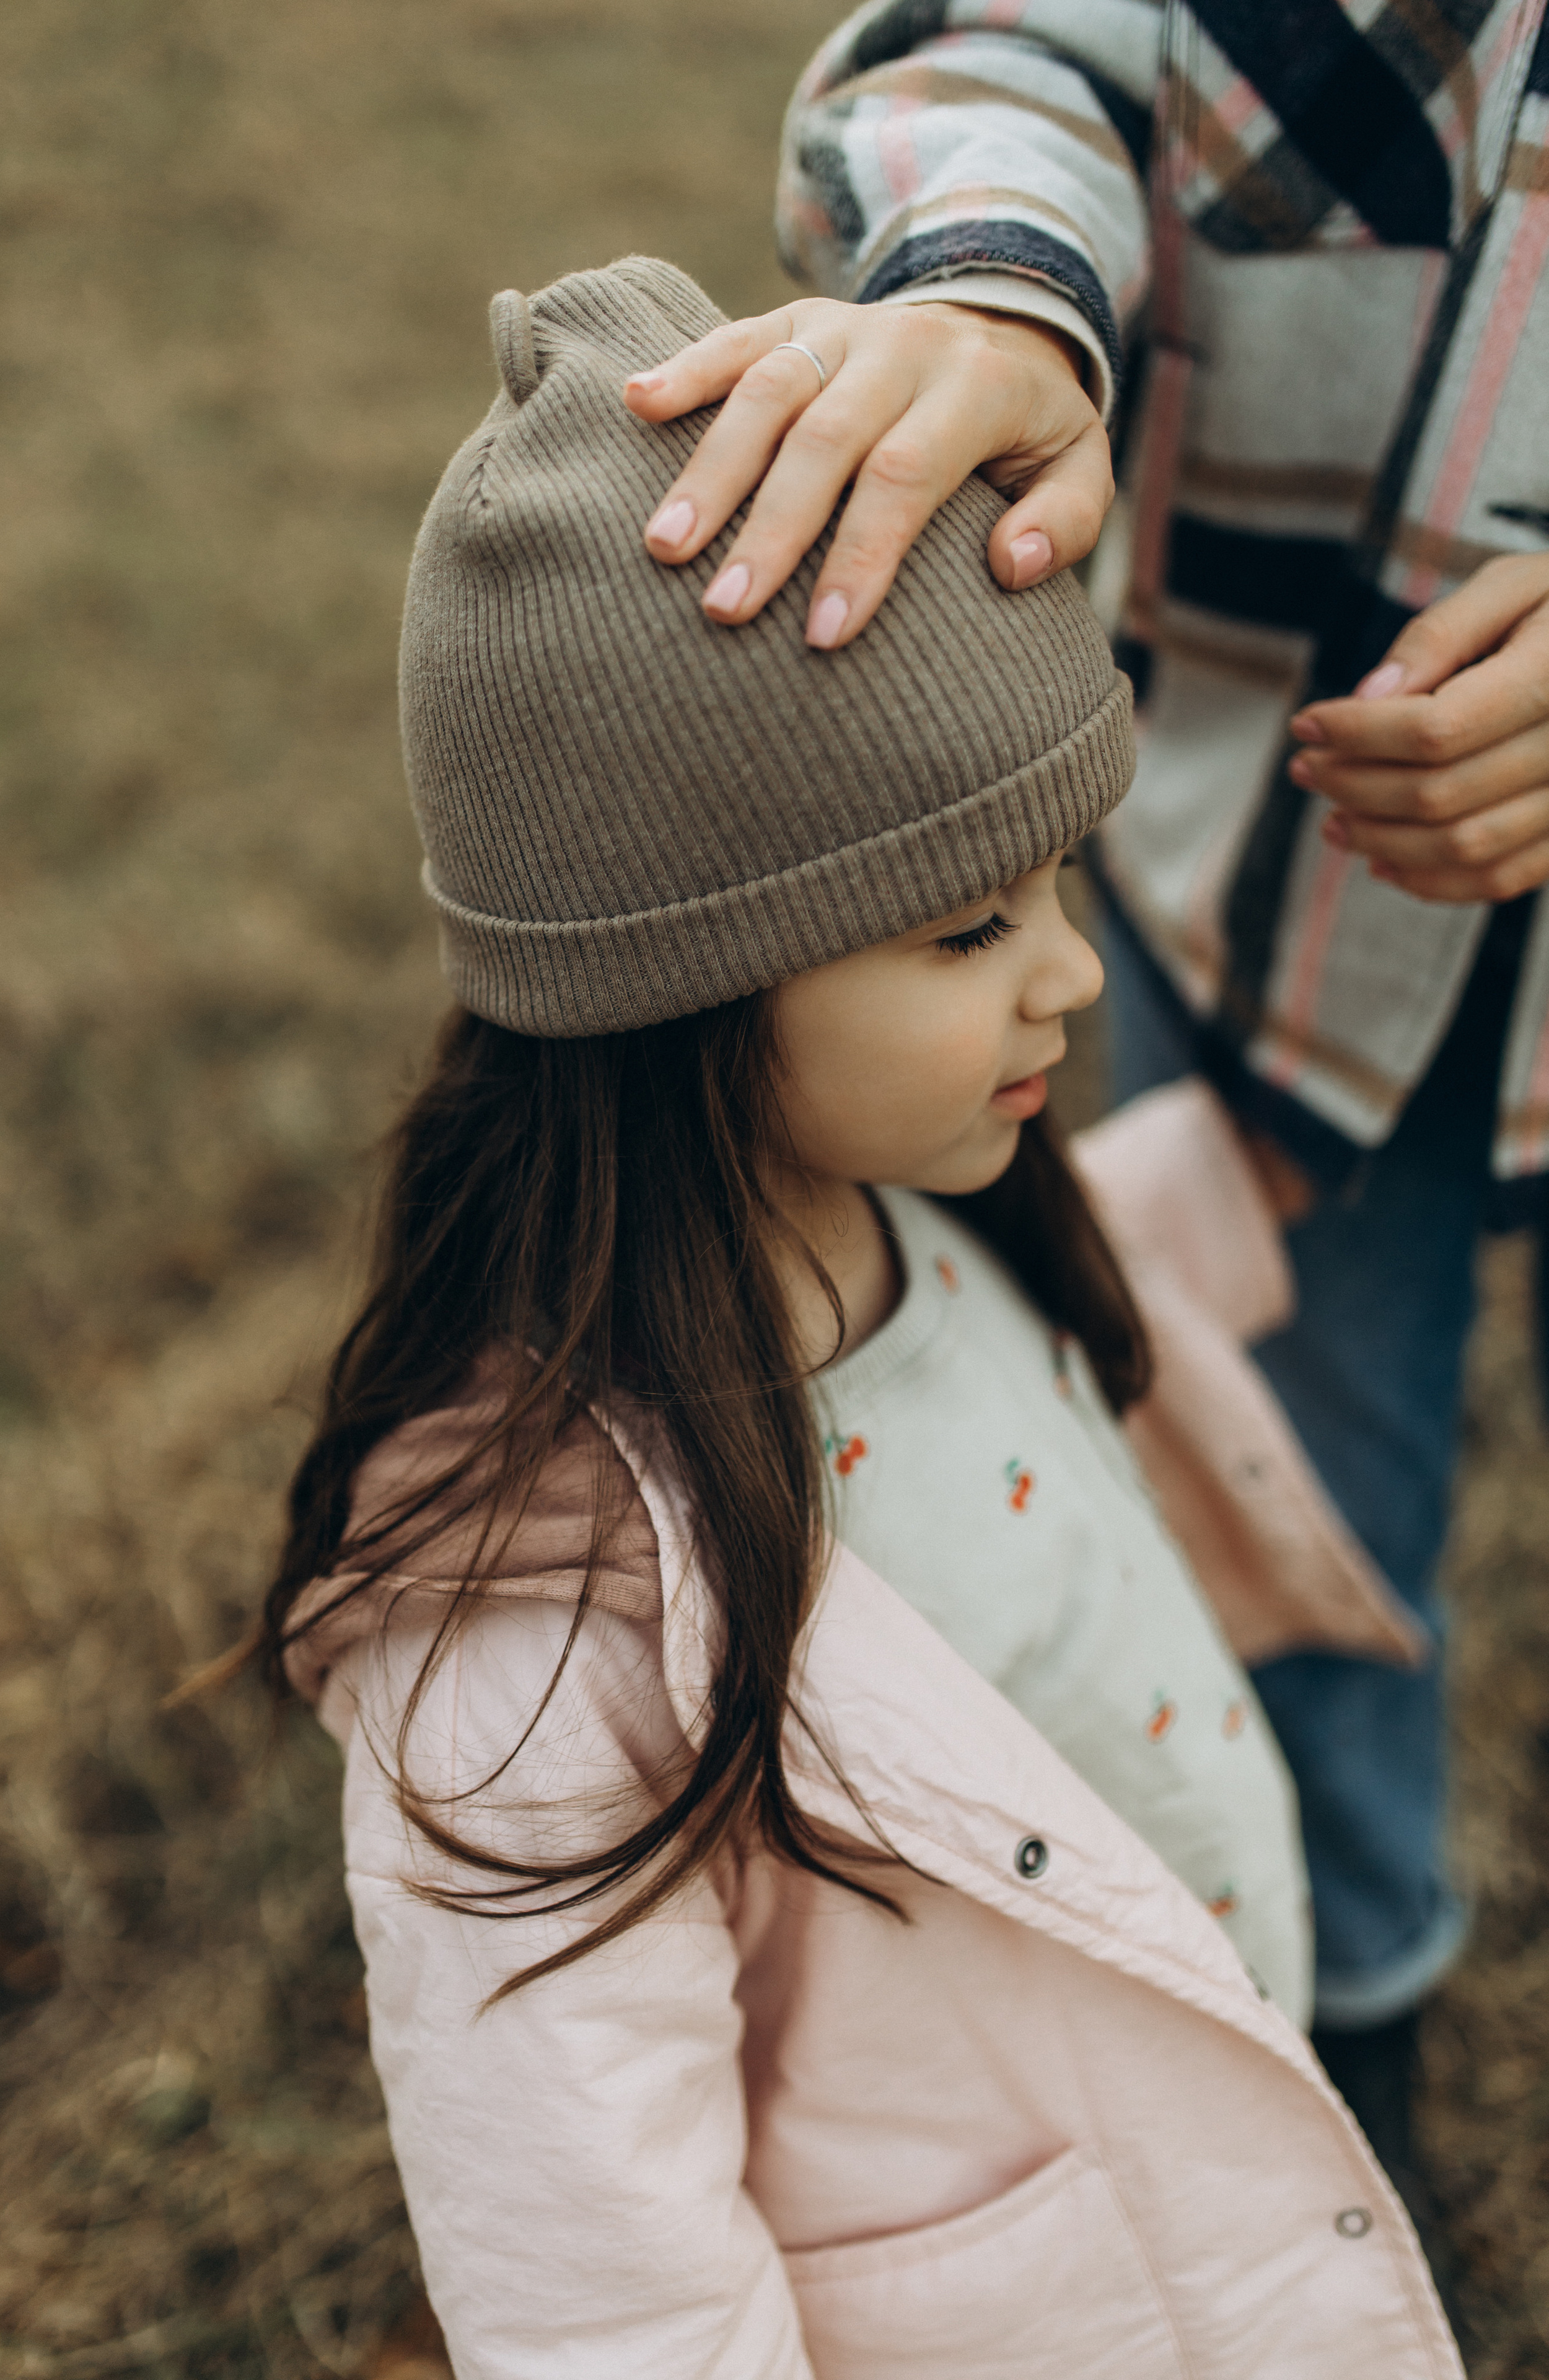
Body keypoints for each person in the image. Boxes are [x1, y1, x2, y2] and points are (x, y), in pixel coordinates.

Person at [257, 258, 1459, 2376]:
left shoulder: (944, 1216)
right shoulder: (535, 1642)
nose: (1071, 977)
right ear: (684, 991)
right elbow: (603, 2281)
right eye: (970, 923)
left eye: (1064, 883)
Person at [621, 0, 1549, 2200]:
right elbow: (1007, 45)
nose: (1036, 995)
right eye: (966, 932)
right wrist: (1004, 285)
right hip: (1269, 879)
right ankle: (1341, 1998)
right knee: (1293, 1468)